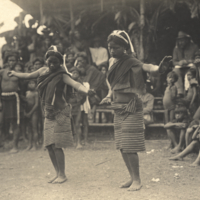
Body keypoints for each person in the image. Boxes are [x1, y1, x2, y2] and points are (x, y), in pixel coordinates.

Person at [8, 45, 94, 184]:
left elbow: (75, 84)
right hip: (48, 112)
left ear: (60, 63)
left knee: (56, 145)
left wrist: (86, 91)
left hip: (61, 112)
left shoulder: (62, 75)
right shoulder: (42, 71)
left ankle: (63, 174)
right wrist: (15, 73)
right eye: (50, 61)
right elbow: (28, 76)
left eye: (55, 62)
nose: (52, 64)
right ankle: (57, 172)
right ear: (46, 60)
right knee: (48, 145)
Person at [100, 30, 161, 191]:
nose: (112, 51)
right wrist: (108, 95)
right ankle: (132, 177)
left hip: (132, 107)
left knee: (130, 146)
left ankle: (138, 180)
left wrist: (156, 68)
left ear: (124, 48)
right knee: (121, 145)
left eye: (115, 48)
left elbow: (145, 66)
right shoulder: (112, 62)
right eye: (110, 47)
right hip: (118, 108)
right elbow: (113, 85)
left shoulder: (131, 61)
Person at [0, 50, 22, 153]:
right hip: (3, 97)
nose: (11, 62)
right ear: (7, 61)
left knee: (15, 122)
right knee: (2, 121)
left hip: (14, 98)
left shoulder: (19, 73)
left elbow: (23, 86)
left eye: (13, 60)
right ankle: (3, 144)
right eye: (10, 60)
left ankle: (15, 146)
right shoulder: (2, 71)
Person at [172, 31, 199, 97]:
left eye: (182, 41)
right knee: (175, 72)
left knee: (189, 74)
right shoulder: (176, 49)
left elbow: (198, 58)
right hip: (180, 68)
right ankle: (180, 92)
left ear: (187, 40)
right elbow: (174, 61)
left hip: (190, 68)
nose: (181, 43)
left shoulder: (194, 47)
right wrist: (179, 62)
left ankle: (188, 92)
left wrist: (189, 61)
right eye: (179, 41)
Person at [68, 67, 86, 148]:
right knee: (68, 125)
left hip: (77, 106)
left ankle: (78, 142)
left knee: (77, 123)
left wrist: (79, 100)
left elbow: (84, 94)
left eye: (76, 73)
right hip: (68, 106)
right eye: (73, 73)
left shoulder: (80, 84)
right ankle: (70, 142)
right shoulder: (67, 83)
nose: (74, 74)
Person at [24, 80, 39, 151]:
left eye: (33, 83)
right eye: (29, 83)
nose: (31, 85)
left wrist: (30, 113)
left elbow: (36, 104)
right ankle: (29, 145)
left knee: (34, 129)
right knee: (29, 129)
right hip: (27, 112)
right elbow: (25, 103)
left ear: (36, 85)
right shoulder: (27, 93)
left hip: (34, 113)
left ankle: (35, 145)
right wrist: (25, 112)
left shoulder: (36, 93)